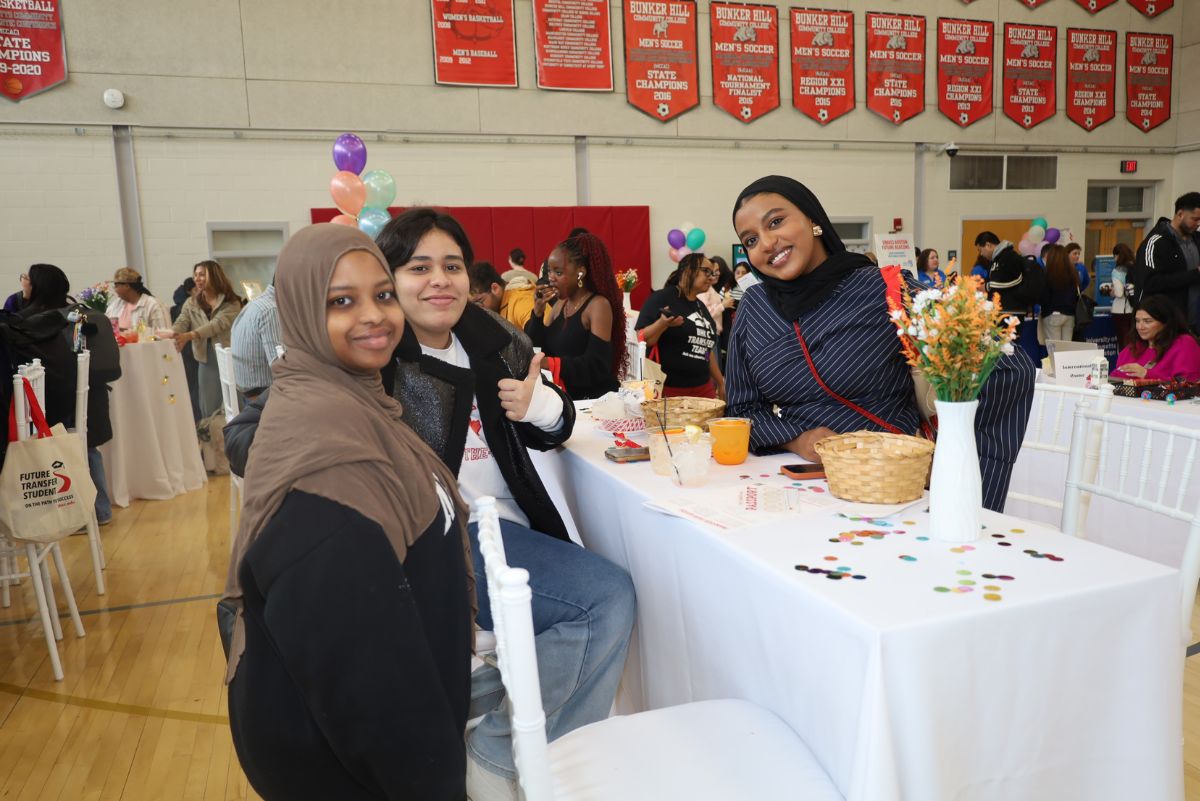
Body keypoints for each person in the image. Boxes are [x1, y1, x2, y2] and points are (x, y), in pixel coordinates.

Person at [223, 224, 474, 801]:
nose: (374, 316)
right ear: (300, 312)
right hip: (346, 768)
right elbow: (371, 685)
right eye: (341, 301)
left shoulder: (354, 399)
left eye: (383, 295)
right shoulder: (328, 460)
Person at [726, 176, 1035, 512]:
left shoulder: (885, 289)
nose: (766, 243)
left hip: (893, 493)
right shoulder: (755, 308)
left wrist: (955, 463)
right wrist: (799, 440)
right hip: (796, 496)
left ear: (813, 219)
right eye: (751, 240)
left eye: (776, 222)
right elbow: (742, 413)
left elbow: (1005, 365)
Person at [18, 264, 121, 525]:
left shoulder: (36, 323)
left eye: (27, 279)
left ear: (38, 286)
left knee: (68, 453)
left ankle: (73, 515)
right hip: (90, 400)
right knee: (88, 451)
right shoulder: (85, 315)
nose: (23, 283)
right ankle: (98, 510)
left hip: (53, 403)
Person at [524, 233, 626, 399]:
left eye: (558, 272)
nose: (551, 278)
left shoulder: (598, 305)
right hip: (565, 396)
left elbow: (597, 365)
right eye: (549, 271)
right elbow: (537, 348)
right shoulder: (560, 305)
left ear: (580, 274)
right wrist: (537, 313)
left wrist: (550, 363)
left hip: (593, 401)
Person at [635, 253, 724, 399]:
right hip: (669, 390)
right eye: (706, 271)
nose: (711, 277)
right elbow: (642, 338)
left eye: (712, 273)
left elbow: (706, 350)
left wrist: (720, 382)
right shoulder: (662, 298)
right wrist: (662, 323)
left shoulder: (701, 306)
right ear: (688, 270)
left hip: (703, 389)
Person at [171, 260, 241, 418]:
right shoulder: (191, 302)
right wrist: (171, 334)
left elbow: (217, 325)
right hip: (205, 356)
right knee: (208, 403)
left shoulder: (231, 302)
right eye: (195, 275)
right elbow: (182, 321)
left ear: (214, 276)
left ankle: (238, 430)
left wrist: (190, 335)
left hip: (229, 354)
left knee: (235, 400)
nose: (197, 279)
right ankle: (211, 431)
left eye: (202, 275)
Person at [1134, 192, 1200, 330]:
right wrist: (1194, 275)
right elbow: (1150, 282)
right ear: (1180, 214)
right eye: (1195, 219)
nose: (1198, 224)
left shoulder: (1196, 240)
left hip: (1194, 322)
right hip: (1167, 324)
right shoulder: (1156, 242)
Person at [1111, 295, 1200, 382]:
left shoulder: (1184, 343)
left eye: (1147, 321)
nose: (1140, 327)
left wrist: (1147, 374)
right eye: (1137, 321)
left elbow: (1190, 382)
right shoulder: (1134, 346)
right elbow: (1114, 378)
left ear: (1166, 322)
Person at [230, 278, 281, 399]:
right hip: (261, 394)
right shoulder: (271, 309)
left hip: (247, 389)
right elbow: (278, 365)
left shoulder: (256, 303)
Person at [469, 260, 535, 330]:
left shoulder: (520, 300)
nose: (479, 308)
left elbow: (538, 332)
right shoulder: (500, 306)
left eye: (480, 301)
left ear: (495, 288)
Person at [104, 267, 170, 333]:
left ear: (127, 286)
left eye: (116, 286)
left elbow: (166, 334)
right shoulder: (115, 305)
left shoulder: (154, 305)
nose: (115, 290)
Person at [1037, 244, 1078, 345]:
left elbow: (1043, 297)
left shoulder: (1047, 273)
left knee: (1054, 349)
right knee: (1066, 348)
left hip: (1052, 314)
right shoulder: (1073, 272)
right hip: (1070, 315)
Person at [1101, 243, 1136, 346]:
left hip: (1121, 310)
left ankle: (1124, 357)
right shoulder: (1136, 267)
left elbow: (1119, 293)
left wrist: (1112, 292)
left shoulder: (1117, 271)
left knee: (1123, 342)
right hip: (1135, 308)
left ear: (1117, 256)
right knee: (1134, 341)